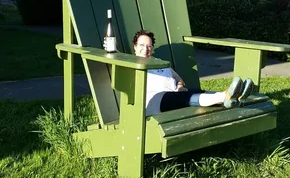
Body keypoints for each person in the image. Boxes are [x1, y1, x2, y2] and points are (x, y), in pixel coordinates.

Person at [106, 30, 254, 116]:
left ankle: (234, 97)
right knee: (190, 97)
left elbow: (177, 77)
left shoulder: (158, 61)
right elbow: (116, 57)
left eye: (149, 46)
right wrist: (113, 49)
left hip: (175, 96)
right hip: (155, 102)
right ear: (135, 46)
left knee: (196, 92)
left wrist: (180, 85)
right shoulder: (131, 62)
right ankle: (227, 96)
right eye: (142, 45)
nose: (146, 49)